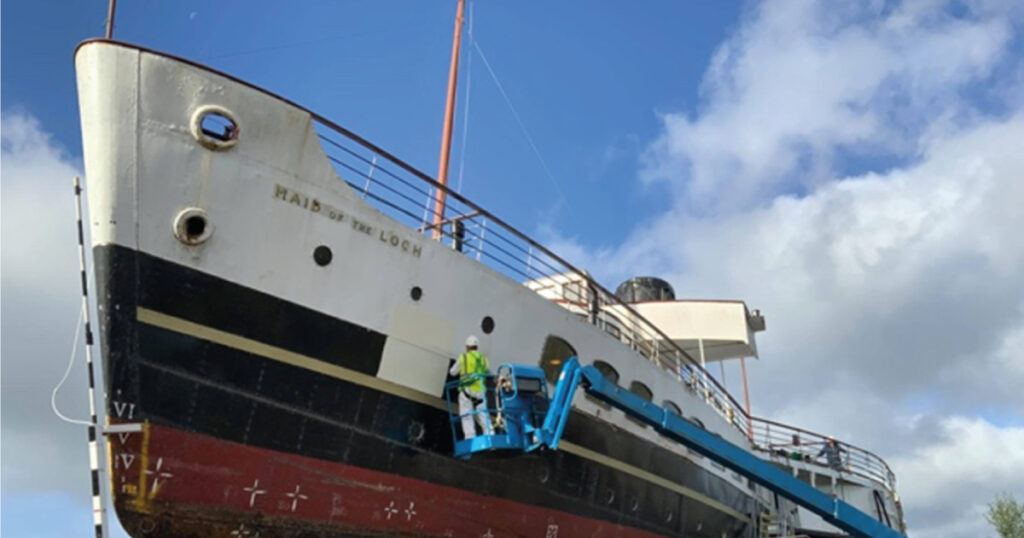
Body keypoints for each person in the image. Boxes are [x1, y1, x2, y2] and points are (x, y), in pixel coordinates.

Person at [448, 335, 491, 440]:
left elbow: (452, 372)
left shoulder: (463, 357)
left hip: (467, 392)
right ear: (477, 347)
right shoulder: (483, 360)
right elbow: (488, 372)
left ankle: (470, 438)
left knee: (466, 416)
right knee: (483, 416)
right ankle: (490, 436)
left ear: (467, 347)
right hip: (480, 393)